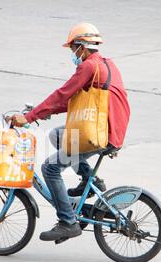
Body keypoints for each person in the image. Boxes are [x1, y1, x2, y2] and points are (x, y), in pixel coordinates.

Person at [7, 23, 130, 241]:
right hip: (108, 127)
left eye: (73, 48)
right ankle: (90, 180)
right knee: (57, 135)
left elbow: (63, 94)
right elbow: (78, 102)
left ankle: (68, 221)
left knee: (50, 168)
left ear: (82, 46)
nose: (73, 54)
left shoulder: (88, 68)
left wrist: (29, 117)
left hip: (100, 132)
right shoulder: (104, 64)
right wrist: (40, 112)